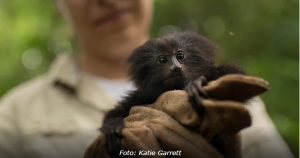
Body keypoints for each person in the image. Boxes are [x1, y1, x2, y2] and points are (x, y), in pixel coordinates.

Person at [0, 0, 294, 158]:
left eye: (181, 59)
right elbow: (115, 117)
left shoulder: (223, 88)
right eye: (164, 62)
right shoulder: (13, 116)